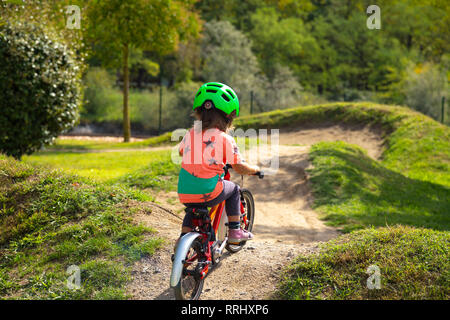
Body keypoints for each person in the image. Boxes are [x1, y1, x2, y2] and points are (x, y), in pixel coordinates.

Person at [176, 82, 260, 246]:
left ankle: (182, 240)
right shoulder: (225, 138)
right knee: (234, 189)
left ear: (199, 113)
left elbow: (181, 152)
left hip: (184, 192)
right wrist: (254, 170)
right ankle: (235, 230)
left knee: (192, 209)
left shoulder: (190, 134)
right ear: (228, 116)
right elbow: (238, 166)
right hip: (209, 191)